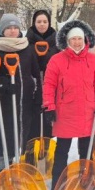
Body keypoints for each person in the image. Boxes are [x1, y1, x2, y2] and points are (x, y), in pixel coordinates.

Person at [42, 20, 95, 190]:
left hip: (88, 111)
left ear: (85, 40)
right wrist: (49, 106)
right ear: (67, 41)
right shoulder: (57, 60)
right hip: (66, 111)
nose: (77, 42)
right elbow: (49, 85)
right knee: (62, 149)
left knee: (86, 150)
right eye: (73, 39)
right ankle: (58, 183)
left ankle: (86, 179)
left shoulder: (92, 60)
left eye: (80, 39)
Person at [0, 14, 42, 173]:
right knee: (2, 136)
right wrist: (2, 84)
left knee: (20, 135)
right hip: (2, 104)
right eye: (9, 28)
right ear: (2, 30)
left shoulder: (27, 49)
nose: (12, 31)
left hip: (24, 103)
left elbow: (36, 74)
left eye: (15, 28)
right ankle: (1, 171)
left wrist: (38, 97)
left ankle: (16, 168)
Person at [26, 10, 58, 140]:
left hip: (50, 89)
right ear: (34, 23)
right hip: (33, 89)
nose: (42, 24)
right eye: (39, 21)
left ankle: (45, 153)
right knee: (32, 126)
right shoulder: (26, 43)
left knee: (48, 126)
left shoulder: (57, 44)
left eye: (45, 21)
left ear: (49, 23)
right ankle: (31, 153)